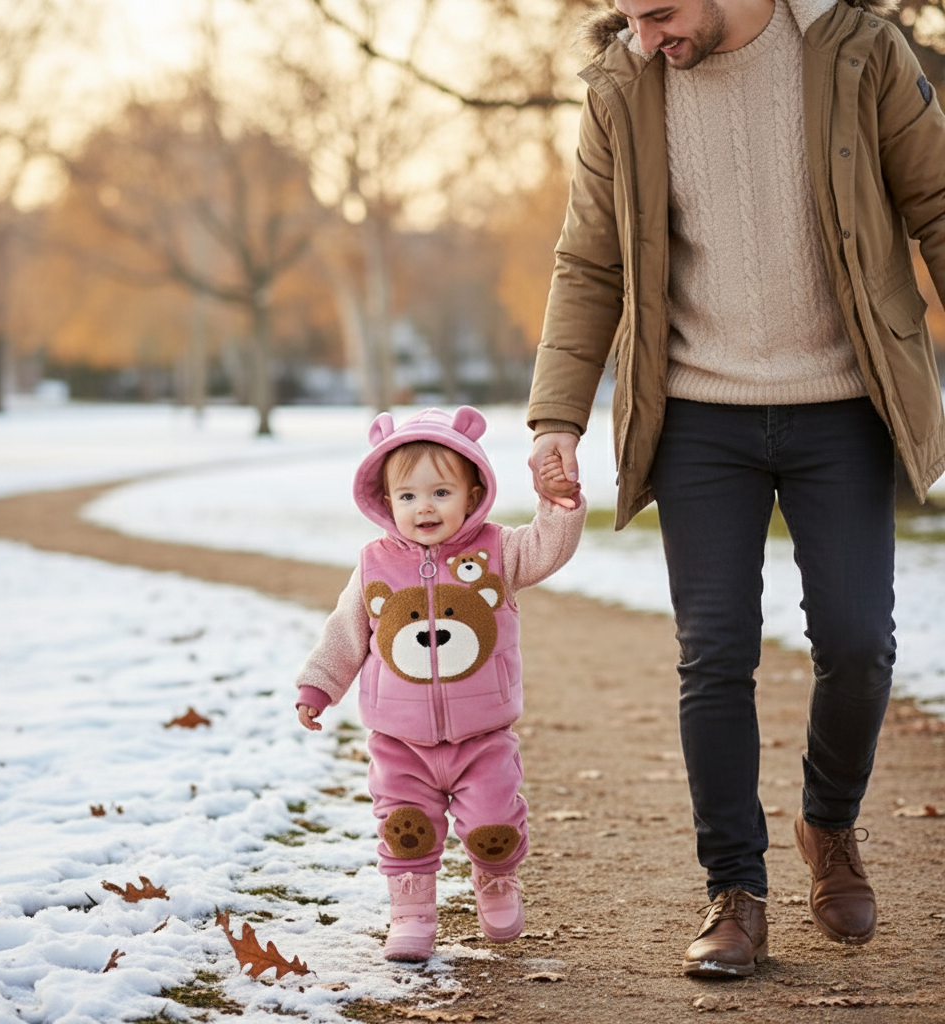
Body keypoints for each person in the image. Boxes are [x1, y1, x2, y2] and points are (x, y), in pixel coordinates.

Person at [527, 0, 945, 979]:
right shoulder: (623, 86)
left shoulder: (858, 51)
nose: (645, 37)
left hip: (843, 403)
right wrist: (556, 417)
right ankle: (734, 892)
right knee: (713, 652)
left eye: (659, 13)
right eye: (629, 17)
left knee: (857, 641)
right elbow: (588, 260)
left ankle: (827, 825)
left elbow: (936, 204)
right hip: (696, 415)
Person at [295, 406, 586, 961]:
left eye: (440, 493)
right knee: (406, 827)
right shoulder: (374, 564)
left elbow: (550, 547)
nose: (423, 507)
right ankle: (411, 913)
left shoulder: (499, 552)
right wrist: (318, 686)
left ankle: (495, 878)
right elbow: (346, 633)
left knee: (494, 822)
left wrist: (559, 503)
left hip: (483, 735)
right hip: (399, 739)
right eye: (407, 496)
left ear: (472, 495)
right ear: (386, 501)